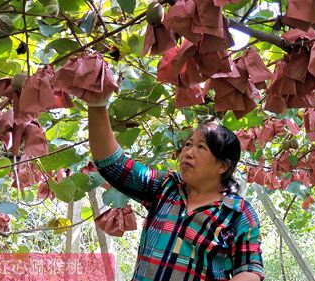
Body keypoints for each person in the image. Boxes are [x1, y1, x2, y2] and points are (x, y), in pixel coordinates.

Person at [88, 103, 264, 280]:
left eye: (201, 147)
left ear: (223, 166)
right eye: (188, 144)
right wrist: (97, 104)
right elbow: (113, 164)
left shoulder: (239, 213)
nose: (188, 152)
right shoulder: (166, 186)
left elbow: (250, 269)